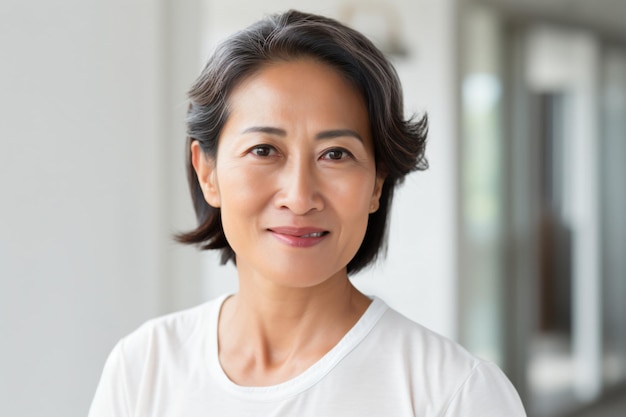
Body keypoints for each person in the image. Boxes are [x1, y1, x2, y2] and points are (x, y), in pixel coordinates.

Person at [88, 9, 526, 417]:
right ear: (208, 172)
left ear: (376, 183)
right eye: (264, 150)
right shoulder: (143, 368)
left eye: (335, 154)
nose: (299, 198)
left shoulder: (453, 393)